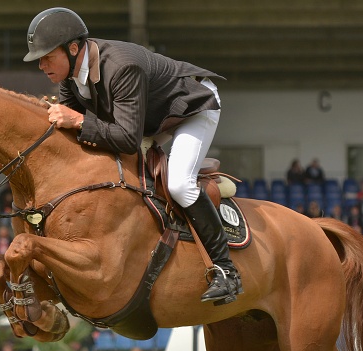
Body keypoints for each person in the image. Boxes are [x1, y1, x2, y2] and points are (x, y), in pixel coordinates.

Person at [23, 7, 240, 305]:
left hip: (192, 107)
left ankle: (227, 271)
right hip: (150, 118)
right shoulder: (69, 75)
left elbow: (125, 139)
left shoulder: (122, 66)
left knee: (179, 184)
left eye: (47, 56)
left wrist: (79, 121)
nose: (41, 65)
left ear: (73, 49)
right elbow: (73, 135)